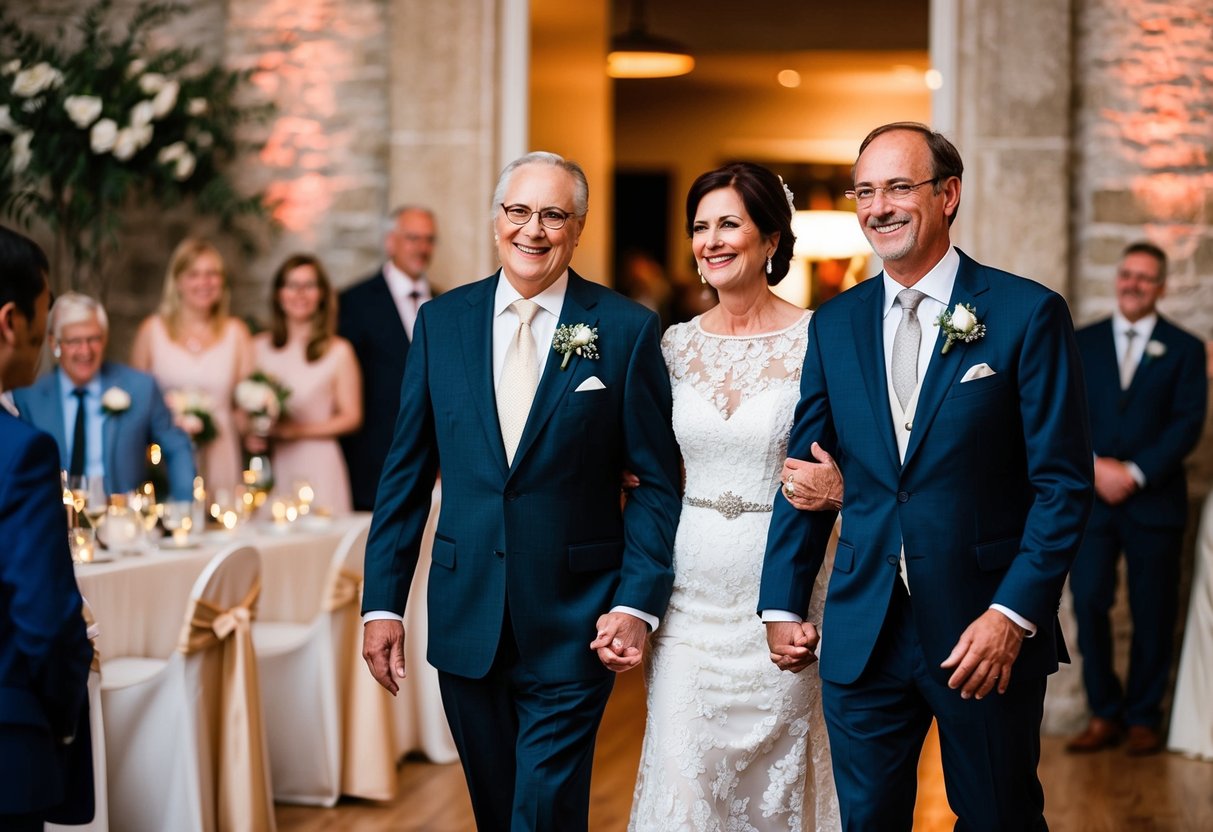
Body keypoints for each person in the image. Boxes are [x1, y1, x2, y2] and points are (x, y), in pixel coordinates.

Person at [759, 122, 1094, 830]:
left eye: (897, 187)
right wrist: (782, 601)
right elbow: (804, 465)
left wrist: (1011, 616)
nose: (877, 206)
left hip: (982, 632)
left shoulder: (1025, 313)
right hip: (862, 628)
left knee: (996, 815)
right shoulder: (835, 324)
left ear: (947, 195)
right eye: (864, 191)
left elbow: (1062, 485)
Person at [361, 152, 681, 831]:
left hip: (575, 617)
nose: (532, 230)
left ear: (578, 226)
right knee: (496, 808)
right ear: (495, 219)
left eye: (552, 215)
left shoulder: (624, 329)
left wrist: (634, 600)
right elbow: (405, 475)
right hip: (465, 612)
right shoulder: (442, 322)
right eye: (518, 211)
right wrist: (381, 605)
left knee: (543, 811)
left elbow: (655, 481)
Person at [629, 163, 839, 831]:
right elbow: (650, 466)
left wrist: (840, 488)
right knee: (683, 781)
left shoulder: (820, 341)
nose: (710, 240)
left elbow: (866, 458)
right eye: (699, 227)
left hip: (784, 590)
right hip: (688, 597)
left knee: (773, 794)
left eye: (728, 224)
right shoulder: (672, 347)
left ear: (770, 239)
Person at [1066, 242, 1206, 756]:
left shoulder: (1186, 348)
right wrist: (1096, 465)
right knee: (1090, 605)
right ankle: (1104, 713)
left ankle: (1145, 718)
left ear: (1161, 286)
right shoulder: (1083, 342)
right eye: (1127, 274)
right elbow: (1065, 414)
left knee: (1153, 612)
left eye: (1146, 278)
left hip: (1154, 504)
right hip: (1093, 502)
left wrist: (1138, 471)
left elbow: (1187, 423)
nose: (1134, 284)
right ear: (1118, 278)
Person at [0, 225, 94, 830]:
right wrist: (62, 715)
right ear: (11, 320)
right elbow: (44, 620)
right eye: (44, 309)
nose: (45, 334)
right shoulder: (21, 451)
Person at [12, 292, 196, 501]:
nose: (85, 351)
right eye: (74, 341)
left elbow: (177, 446)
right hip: (54, 522)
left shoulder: (140, 387)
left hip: (122, 522)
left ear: (105, 338)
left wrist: (183, 507)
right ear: (54, 343)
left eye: (93, 339)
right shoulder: (28, 396)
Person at [131, 237, 254, 494]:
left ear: (222, 282)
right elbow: (138, 404)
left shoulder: (237, 333)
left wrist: (260, 422)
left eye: (212, 274)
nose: (204, 283)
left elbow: (244, 406)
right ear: (177, 281)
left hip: (222, 452)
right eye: (194, 274)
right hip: (167, 453)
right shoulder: (151, 331)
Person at [339, 206, 438, 511]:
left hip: (437, 465)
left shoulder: (448, 302)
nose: (422, 248)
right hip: (374, 463)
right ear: (390, 241)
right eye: (412, 238)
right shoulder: (353, 302)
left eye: (429, 240)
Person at [251, 254, 362, 514]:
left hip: (319, 463)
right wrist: (251, 433)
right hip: (273, 464)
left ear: (322, 294)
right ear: (279, 294)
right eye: (291, 285)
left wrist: (296, 431)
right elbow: (241, 408)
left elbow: (352, 416)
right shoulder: (257, 348)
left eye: (309, 285)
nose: (300, 294)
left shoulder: (338, 351)